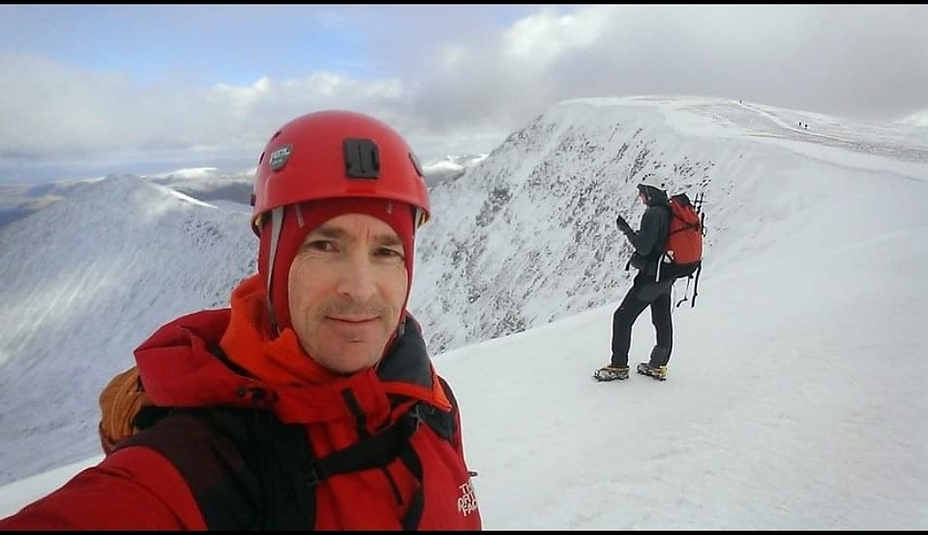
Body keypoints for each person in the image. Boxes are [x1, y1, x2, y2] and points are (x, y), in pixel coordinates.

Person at [0, 110, 483, 530]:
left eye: (385, 251)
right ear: (272, 262)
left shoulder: (428, 400)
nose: (359, 287)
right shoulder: (208, 458)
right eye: (323, 245)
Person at [594, 182, 673, 382]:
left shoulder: (652, 214)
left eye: (642, 192)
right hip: (666, 273)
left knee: (622, 317)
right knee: (661, 319)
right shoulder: (668, 210)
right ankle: (658, 365)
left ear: (649, 192)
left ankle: (619, 366)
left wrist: (627, 230)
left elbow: (644, 248)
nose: (640, 196)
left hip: (651, 277)